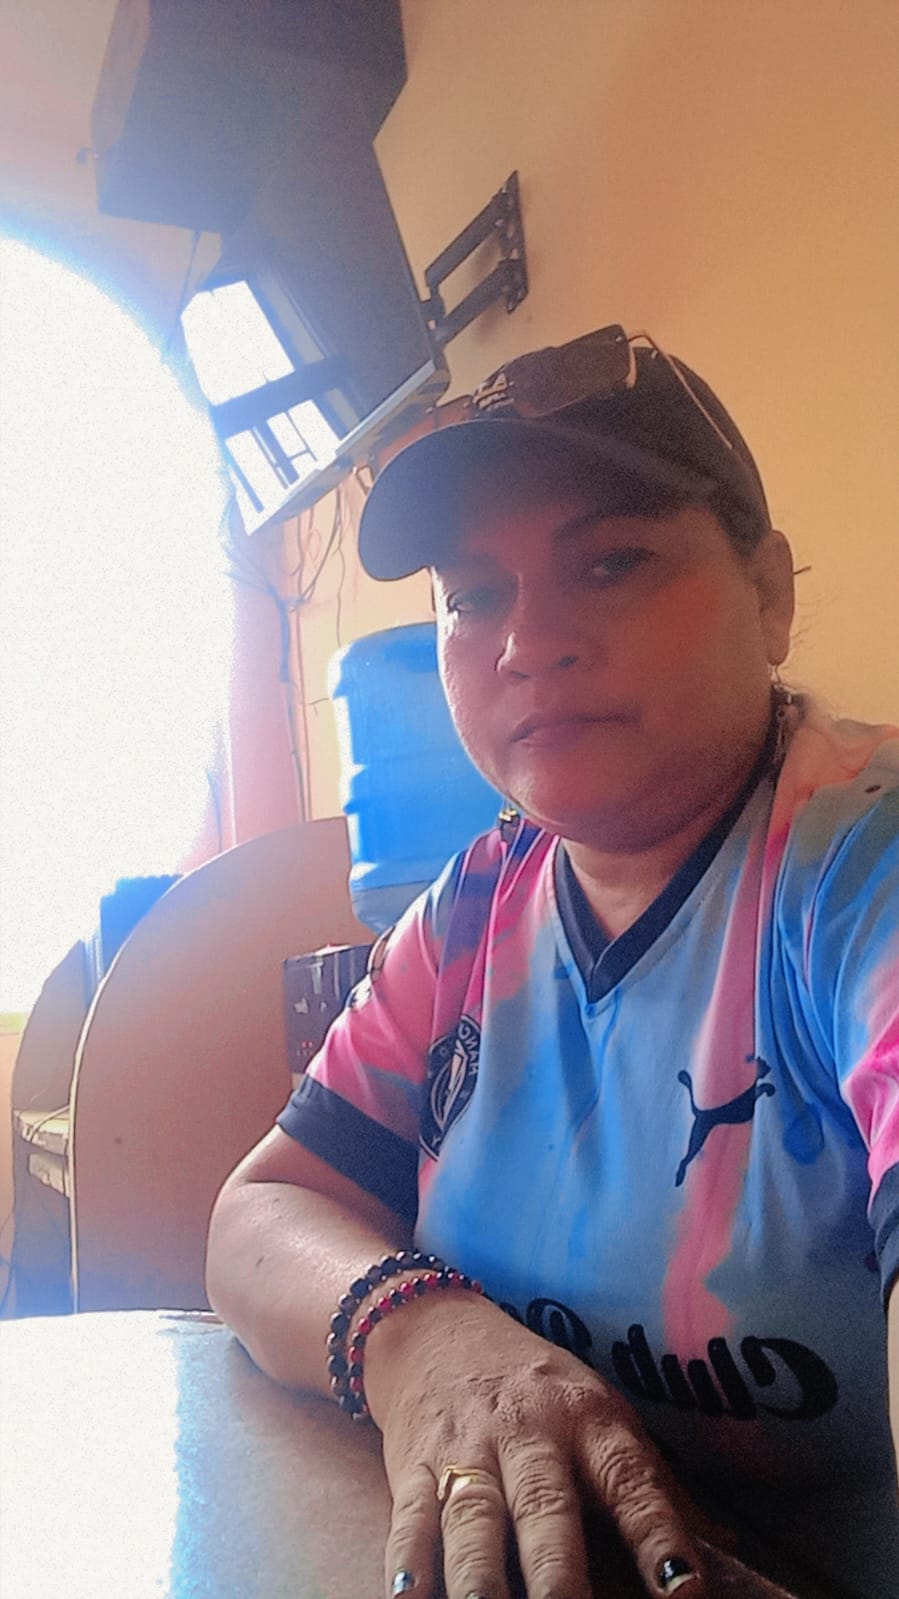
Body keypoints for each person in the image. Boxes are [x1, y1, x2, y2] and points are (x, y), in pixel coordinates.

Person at [205, 325, 899, 1599]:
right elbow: (260, 1214)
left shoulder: (856, 865)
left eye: (611, 560)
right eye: (473, 594)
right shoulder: (475, 905)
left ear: (768, 593)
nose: (527, 641)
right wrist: (422, 1339)